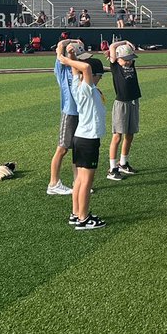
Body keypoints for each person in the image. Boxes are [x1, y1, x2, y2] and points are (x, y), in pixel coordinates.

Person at [57, 45, 107, 230]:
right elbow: (84, 68)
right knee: (86, 180)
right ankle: (84, 219)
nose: (100, 78)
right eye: (99, 75)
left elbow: (77, 70)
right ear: (93, 75)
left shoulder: (78, 83)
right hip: (88, 139)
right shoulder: (86, 87)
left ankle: (76, 213)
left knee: (79, 179)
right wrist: (66, 60)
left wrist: (70, 55)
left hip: (81, 137)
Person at [46, 38, 84, 196]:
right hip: (69, 112)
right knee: (62, 149)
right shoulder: (62, 69)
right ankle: (53, 183)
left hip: (82, 112)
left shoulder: (80, 68)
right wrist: (71, 40)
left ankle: (78, 182)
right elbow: (60, 47)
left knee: (77, 149)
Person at [106, 40, 142, 181]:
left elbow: (130, 54)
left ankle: (123, 163)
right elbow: (112, 47)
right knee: (117, 136)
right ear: (118, 59)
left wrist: (130, 46)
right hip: (121, 103)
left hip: (133, 101)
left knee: (130, 134)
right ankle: (112, 168)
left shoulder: (131, 65)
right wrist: (124, 42)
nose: (128, 62)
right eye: (125, 60)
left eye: (130, 59)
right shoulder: (115, 67)